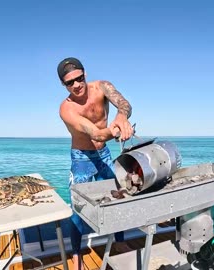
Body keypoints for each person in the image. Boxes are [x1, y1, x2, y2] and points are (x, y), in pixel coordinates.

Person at [57, 57, 134, 270]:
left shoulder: (102, 87)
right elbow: (98, 134)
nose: (76, 85)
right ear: (63, 85)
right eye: (69, 82)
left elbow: (124, 104)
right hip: (81, 158)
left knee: (117, 197)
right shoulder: (66, 109)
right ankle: (76, 254)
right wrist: (117, 129)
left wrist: (121, 117)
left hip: (105, 156)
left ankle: (119, 241)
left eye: (79, 78)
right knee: (78, 209)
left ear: (85, 75)